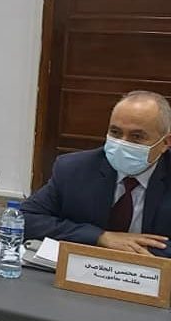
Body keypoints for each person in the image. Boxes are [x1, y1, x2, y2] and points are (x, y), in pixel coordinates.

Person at [23, 91, 171, 255]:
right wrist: (99, 237)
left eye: (136, 136)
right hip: (86, 266)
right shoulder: (75, 169)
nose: (122, 143)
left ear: (165, 142)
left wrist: (138, 251)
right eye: (115, 132)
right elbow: (26, 219)